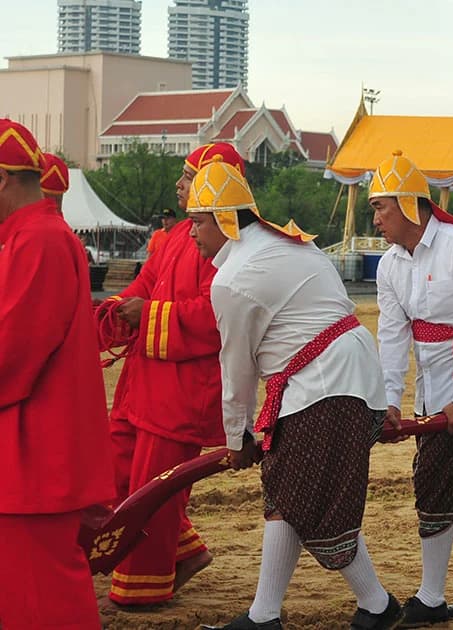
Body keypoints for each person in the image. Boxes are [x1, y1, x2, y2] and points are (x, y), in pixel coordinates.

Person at [188, 158, 401, 630]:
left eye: (198, 221)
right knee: (292, 492)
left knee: (306, 496)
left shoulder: (232, 280)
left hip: (322, 387)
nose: (191, 233)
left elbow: (236, 367)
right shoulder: (291, 242)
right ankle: (274, 614)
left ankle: (369, 605)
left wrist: (237, 437)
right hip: (346, 379)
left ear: (225, 219)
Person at [369, 151, 453, 625]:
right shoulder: (389, 264)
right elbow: (392, 335)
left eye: (381, 207)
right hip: (431, 393)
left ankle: (431, 597)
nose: (376, 219)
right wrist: (389, 400)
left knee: (435, 485)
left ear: (410, 204)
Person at [99, 142, 238, 608]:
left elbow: (216, 315)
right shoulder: (180, 232)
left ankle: (144, 587)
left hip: (183, 389)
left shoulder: (227, 242)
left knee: (153, 487)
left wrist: (148, 313)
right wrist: (116, 308)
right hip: (143, 380)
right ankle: (188, 552)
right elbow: (147, 283)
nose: (178, 185)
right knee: (117, 473)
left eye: (188, 177)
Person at [0, 118, 115, 629]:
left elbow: (12, 349)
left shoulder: (39, 240)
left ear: (2, 179)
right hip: (31, 452)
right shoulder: (33, 236)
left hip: (35, 454)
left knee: (43, 597)